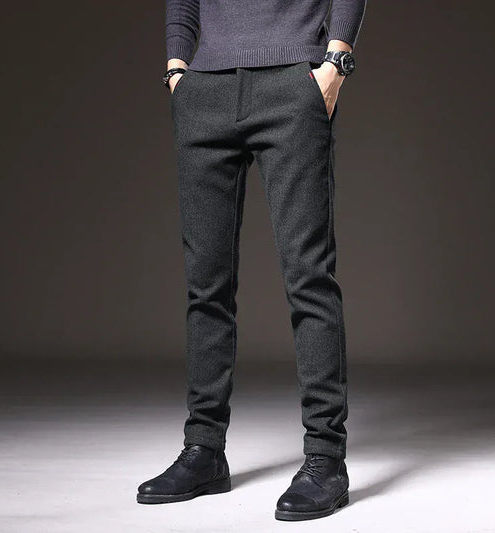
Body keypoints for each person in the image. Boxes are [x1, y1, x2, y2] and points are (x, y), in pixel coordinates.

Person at [137, 0, 367, 521]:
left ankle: (326, 458)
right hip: (204, 91)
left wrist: (335, 64)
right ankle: (204, 450)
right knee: (205, 283)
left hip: (293, 84)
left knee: (309, 275)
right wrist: (177, 69)